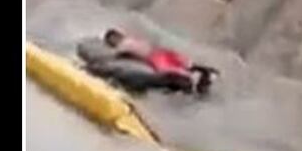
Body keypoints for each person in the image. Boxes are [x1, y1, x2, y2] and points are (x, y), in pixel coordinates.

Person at [77, 26, 218, 95]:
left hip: (159, 65)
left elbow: (119, 58)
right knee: (180, 72)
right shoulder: (138, 42)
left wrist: (90, 68)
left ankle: (196, 81)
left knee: (169, 75)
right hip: (164, 59)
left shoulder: (125, 44)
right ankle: (201, 77)